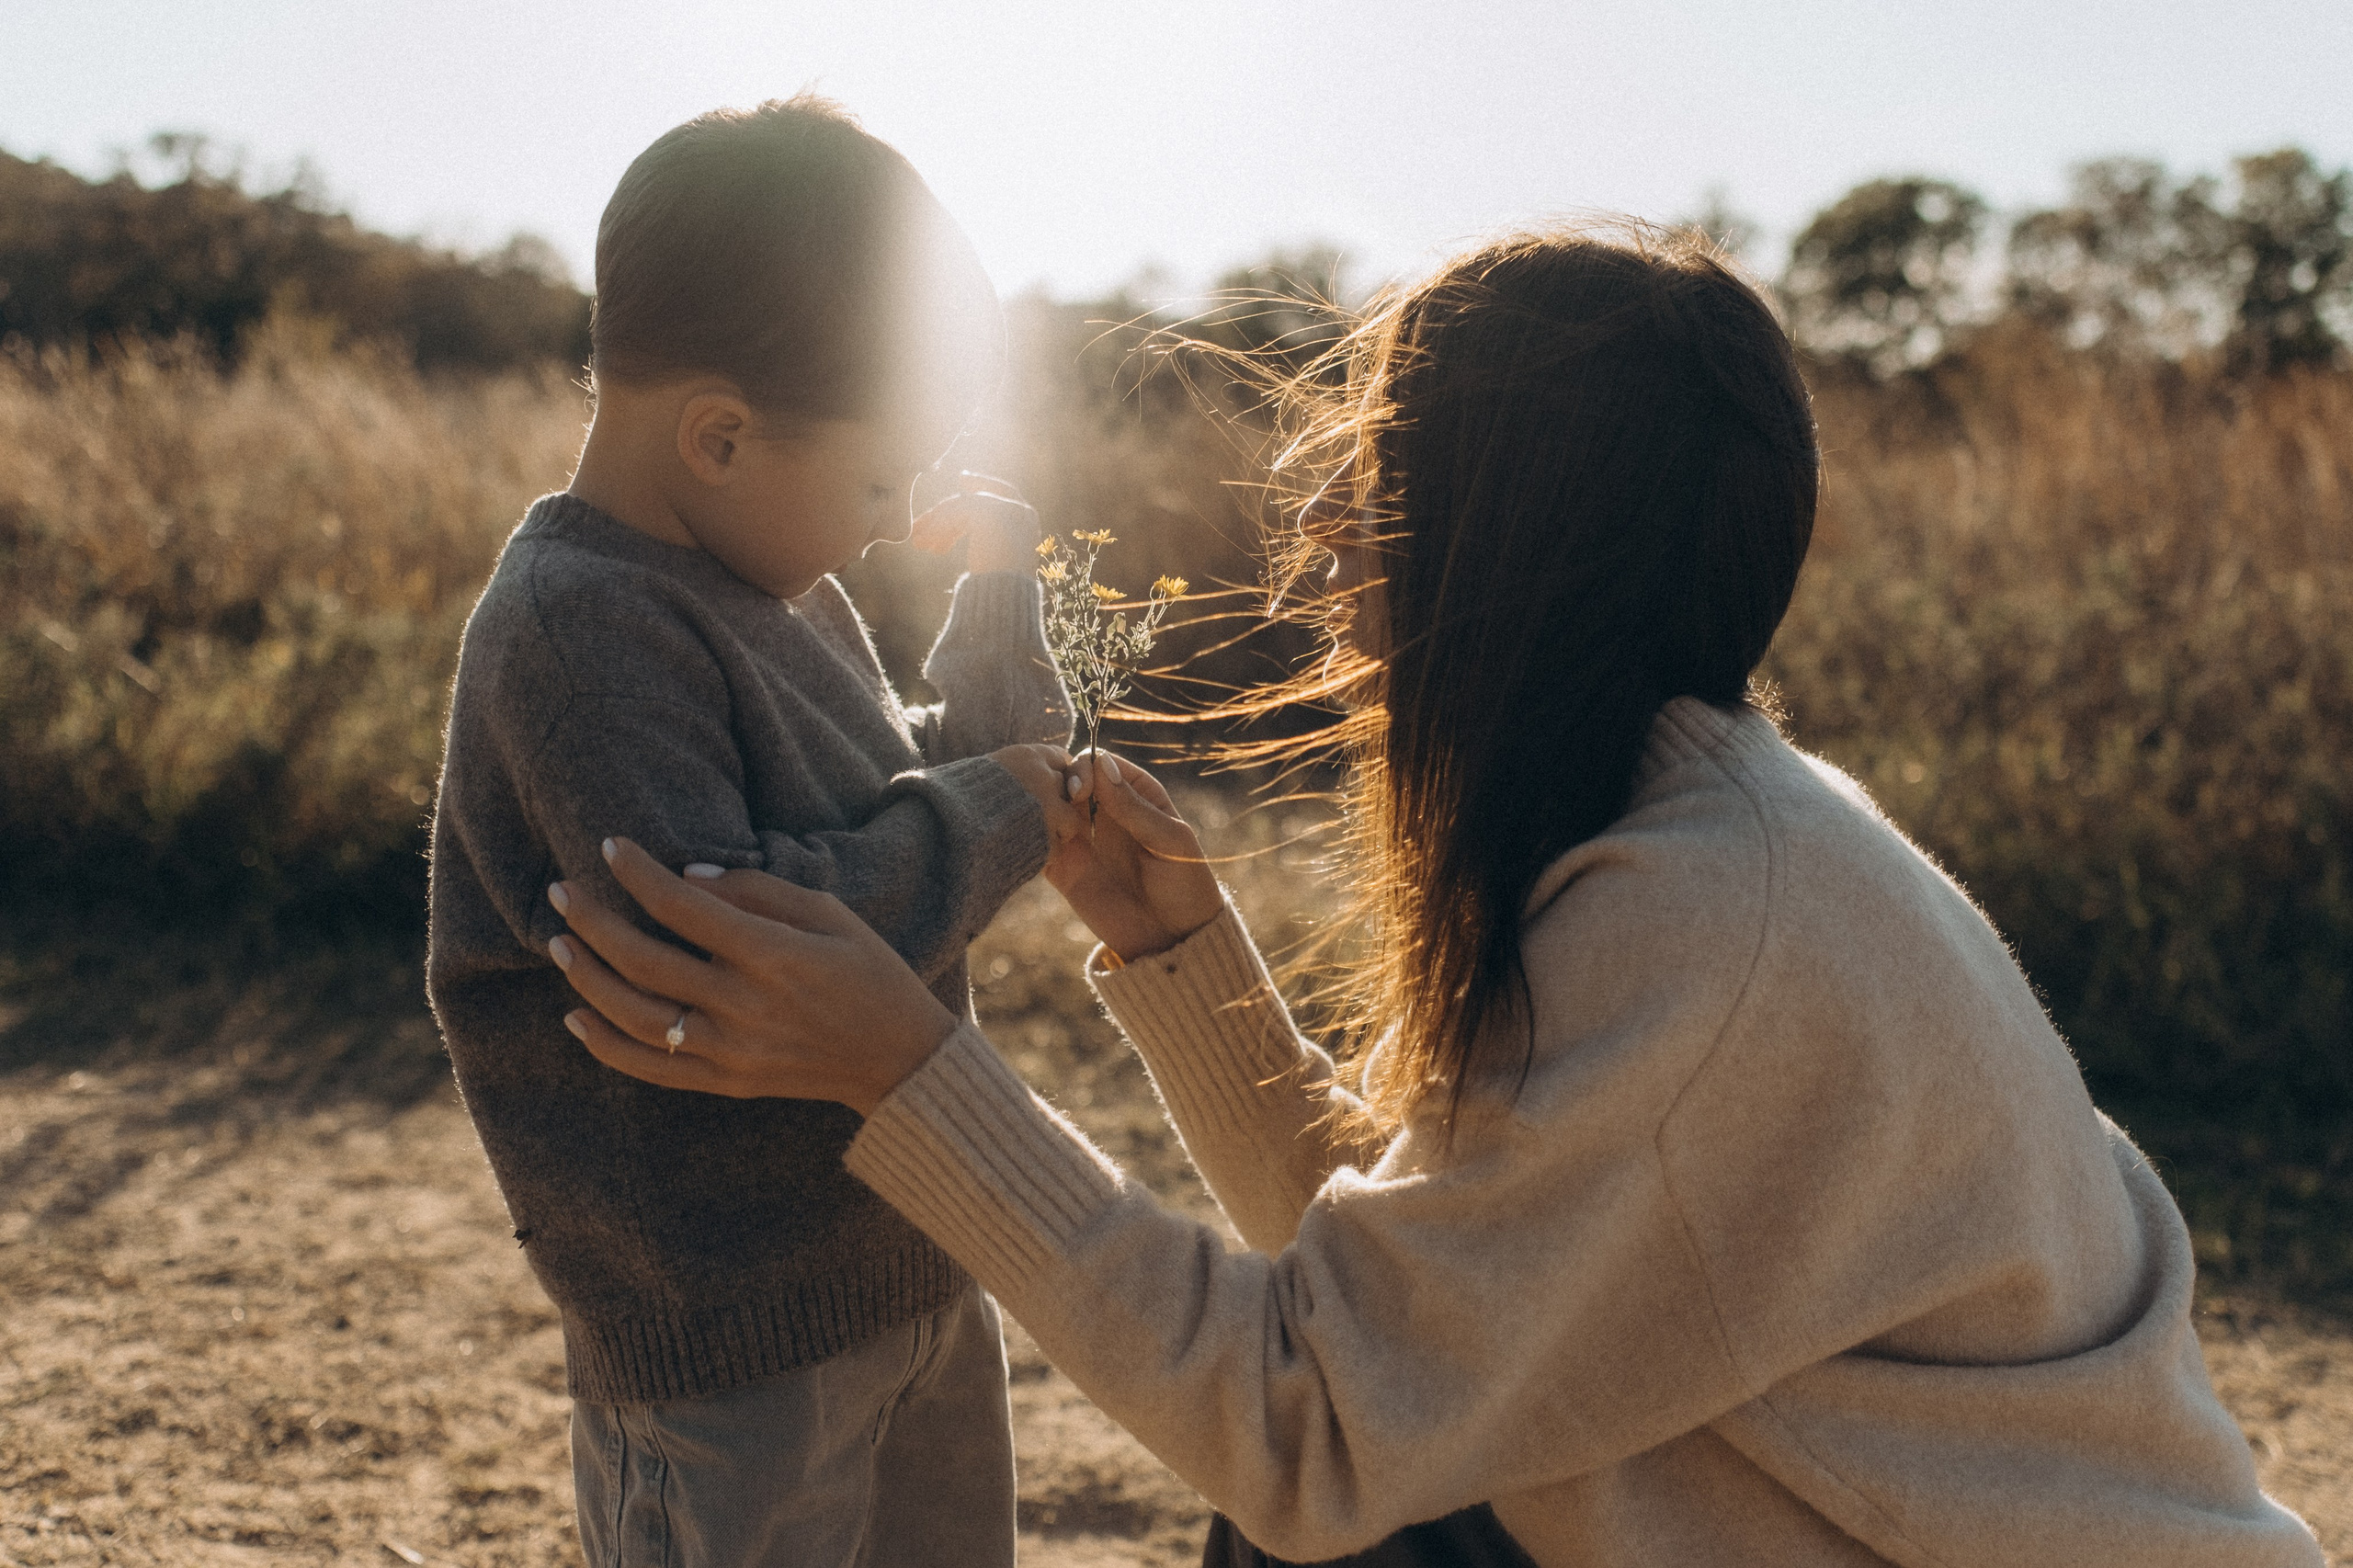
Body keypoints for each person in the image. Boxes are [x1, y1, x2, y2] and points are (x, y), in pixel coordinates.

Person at [540, 225, 2325, 1566]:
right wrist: (1185, 961)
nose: (1316, 543)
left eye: (1375, 478)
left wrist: (906, 1073)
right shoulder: (1685, 822)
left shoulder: (1719, 927)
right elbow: (1422, 1310)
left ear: (1511, 537)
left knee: (1317, 1534)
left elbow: (1312, 1417)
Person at [425, 97, 1085, 1568]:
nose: (892, 517)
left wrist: (998, 604)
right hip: (733, 1350)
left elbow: (914, 802)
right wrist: (1004, 807)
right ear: (718, 436)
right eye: (880, 479)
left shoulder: (774, 588)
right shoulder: (579, 630)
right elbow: (747, 943)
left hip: (913, 1265)